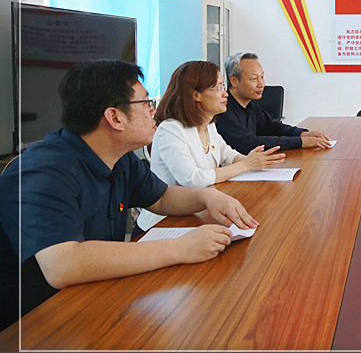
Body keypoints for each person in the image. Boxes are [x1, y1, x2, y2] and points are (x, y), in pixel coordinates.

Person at [0, 60, 260, 331]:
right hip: (31, 323)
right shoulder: (45, 171)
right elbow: (62, 265)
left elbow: (162, 197)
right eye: (146, 103)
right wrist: (181, 248)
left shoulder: (119, 157)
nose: (154, 111)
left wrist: (207, 198)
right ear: (115, 117)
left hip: (93, 297)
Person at [135, 60, 285, 233]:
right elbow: (192, 179)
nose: (225, 94)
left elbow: (227, 155)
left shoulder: (209, 124)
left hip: (197, 215)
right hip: (163, 225)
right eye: (218, 87)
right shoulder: (170, 129)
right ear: (196, 95)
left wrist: (257, 161)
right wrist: (246, 165)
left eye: (223, 86)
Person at [215, 52, 331, 152]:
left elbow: (271, 126)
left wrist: (301, 134)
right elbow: (248, 143)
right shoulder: (223, 110)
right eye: (254, 79)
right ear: (234, 81)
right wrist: (301, 142)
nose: (261, 84)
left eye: (262, 77)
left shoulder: (249, 105)